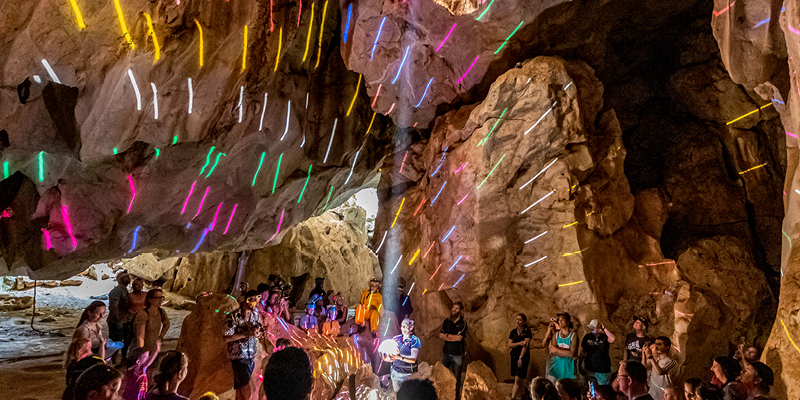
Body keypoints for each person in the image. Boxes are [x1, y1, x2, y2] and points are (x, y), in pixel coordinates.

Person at [224, 289, 263, 400]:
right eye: (255, 301)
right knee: (246, 388)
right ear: (248, 300)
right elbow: (226, 337)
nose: (257, 304)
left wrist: (258, 333)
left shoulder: (255, 315)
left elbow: (259, 328)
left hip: (250, 356)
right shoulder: (234, 316)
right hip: (239, 356)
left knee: (240, 389)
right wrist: (246, 334)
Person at [440, 301, 467, 400]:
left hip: (457, 354)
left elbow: (459, 338)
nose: (454, 310)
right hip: (446, 352)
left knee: (457, 378)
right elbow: (441, 335)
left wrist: (447, 335)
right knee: (443, 375)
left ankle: (456, 397)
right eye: (453, 308)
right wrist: (453, 336)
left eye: (456, 309)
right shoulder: (446, 321)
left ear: (460, 311)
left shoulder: (463, 324)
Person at [134, 289, 170, 356]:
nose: (160, 300)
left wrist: (161, 337)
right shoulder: (143, 314)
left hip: (154, 347)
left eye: (161, 297)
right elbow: (140, 336)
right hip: (143, 347)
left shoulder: (161, 312)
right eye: (157, 298)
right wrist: (140, 351)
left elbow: (167, 324)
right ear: (150, 300)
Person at [580, 319, 616, 385]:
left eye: (594, 328)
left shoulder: (604, 337)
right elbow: (582, 351)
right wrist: (580, 364)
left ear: (599, 329)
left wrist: (604, 329)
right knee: (591, 389)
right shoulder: (587, 337)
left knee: (603, 390)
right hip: (589, 368)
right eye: (591, 328)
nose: (591, 329)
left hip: (602, 370)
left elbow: (612, 339)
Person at [390, 318, 422, 392]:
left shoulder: (414, 340)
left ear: (411, 328)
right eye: (402, 326)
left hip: (407, 375)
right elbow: (391, 351)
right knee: (397, 395)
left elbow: (413, 359)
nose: (404, 329)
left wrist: (399, 357)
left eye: (406, 326)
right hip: (396, 372)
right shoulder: (396, 339)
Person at [547, 312, 577, 381]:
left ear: (568, 322)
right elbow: (551, 351)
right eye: (559, 320)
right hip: (556, 369)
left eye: (562, 319)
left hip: (568, 370)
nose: (560, 322)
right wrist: (566, 352)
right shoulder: (556, 335)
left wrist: (557, 350)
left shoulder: (573, 336)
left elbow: (572, 354)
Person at [509, 313, 532, 400]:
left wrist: (521, 358)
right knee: (518, 377)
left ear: (524, 321)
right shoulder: (513, 332)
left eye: (520, 320)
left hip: (522, 357)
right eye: (517, 319)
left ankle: (513, 397)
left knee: (518, 378)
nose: (518, 321)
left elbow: (525, 346)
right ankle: (524, 394)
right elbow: (509, 344)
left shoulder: (527, 332)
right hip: (514, 356)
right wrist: (519, 343)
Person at [108, 272, 131, 345]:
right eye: (125, 277)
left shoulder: (124, 290)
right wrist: (118, 321)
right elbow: (114, 307)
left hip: (123, 320)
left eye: (128, 277)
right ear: (120, 279)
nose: (127, 278)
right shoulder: (117, 291)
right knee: (115, 343)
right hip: (116, 321)